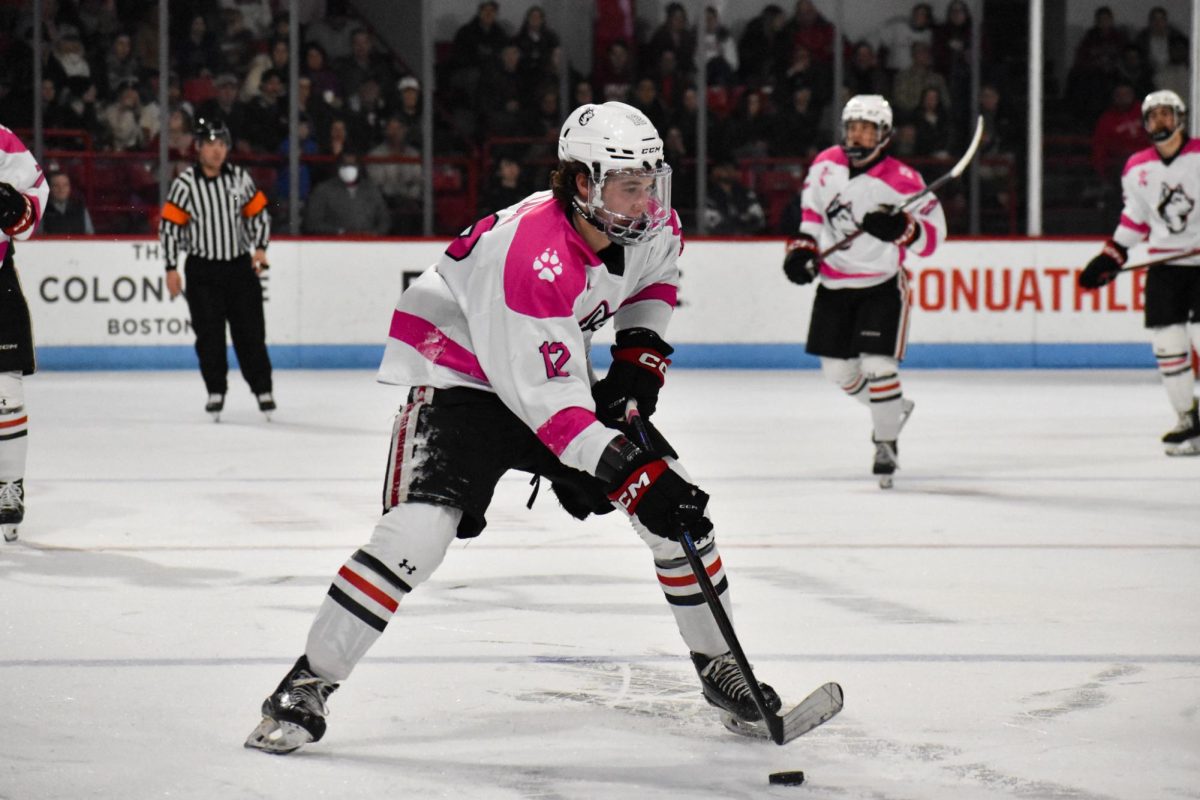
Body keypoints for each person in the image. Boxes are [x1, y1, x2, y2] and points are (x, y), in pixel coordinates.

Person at [244, 101, 783, 755]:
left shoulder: (649, 222)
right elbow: (550, 414)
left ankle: (720, 664)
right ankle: (307, 683)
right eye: (628, 186)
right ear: (582, 183)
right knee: (418, 534)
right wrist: (630, 469)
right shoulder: (531, 253)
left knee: (680, 507)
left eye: (650, 183)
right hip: (460, 384)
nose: (646, 201)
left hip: (541, 375)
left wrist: (639, 361)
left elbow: (657, 279)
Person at [781, 95, 946, 487]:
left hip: (881, 286)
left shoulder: (903, 180)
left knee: (879, 367)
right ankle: (891, 410)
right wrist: (801, 252)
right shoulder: (825, 164)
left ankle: (885, 442)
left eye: (867, 129)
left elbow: (932, 239)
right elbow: (811, 217)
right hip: (834, 284)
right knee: (838, 370)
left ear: (884, 135)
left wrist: (901, 228)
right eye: (852, 127)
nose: (857, 135)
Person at [1078, 90, 1200, 456]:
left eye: (1167, 115)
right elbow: (1135, 220)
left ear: (1180, 118)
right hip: (1165, 266)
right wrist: (1110, 257)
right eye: (1153, 117)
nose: (1160, 123)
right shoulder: (1136, 168)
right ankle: (1187, 419)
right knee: (1168, 345)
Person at [159, 117, 275, 420]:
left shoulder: (238, 179)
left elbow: (258, 214)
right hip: (202, 272)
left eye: (222, 144)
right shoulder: (185, 184)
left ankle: (262, 388)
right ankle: (216, 390)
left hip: (238, 267)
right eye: (211, 144)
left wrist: (260, 247)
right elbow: (170, 228)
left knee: (250, 332)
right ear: (198, 147)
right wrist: (171, 267)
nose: (217, 150)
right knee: (208, 335)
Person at [0, 124, 49, 542]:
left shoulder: (1, 141)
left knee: (6, 393)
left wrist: (14, 208)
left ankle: (8, 485)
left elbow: (33, 203)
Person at [303, 151, 390, 235]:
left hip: (368, 244)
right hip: (334, 244)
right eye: (345, 164)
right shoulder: (323, 190)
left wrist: (374, 234)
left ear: (359, 167)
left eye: (353, 165)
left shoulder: (371, 190)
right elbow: (313, 223)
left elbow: (384, 220)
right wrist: (340, 232)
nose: (349, 168)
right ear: (337, 166)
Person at [40, 170, 94, 235]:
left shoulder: (80, 209)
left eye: (65, 185)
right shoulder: (42, 211)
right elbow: (38, 237)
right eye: (56, 185)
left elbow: (90, 235)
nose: (61, 189)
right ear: (49, 188)